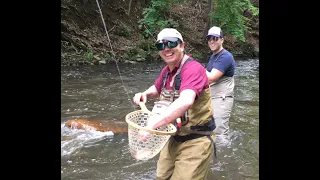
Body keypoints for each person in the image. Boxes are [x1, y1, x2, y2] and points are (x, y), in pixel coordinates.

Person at [133, 28, 216, 180]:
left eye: (171, 43)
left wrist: (151, 127)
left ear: (182, 45)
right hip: (172, 137)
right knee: (162, 177)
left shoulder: (193, 69)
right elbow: (157, 88)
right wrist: (145, 94)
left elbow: (186, 100)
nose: (166, 49)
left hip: (196, 140)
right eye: (161, 45)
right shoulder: (167, 71)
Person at [205, 26, 236, 139]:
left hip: (222, 99)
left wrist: (196, 70)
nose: (212, 41)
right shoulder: (213, 57)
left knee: (220, 133)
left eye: (215, 38)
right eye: (209, 38)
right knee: (209, 130)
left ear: (222, 40)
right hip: (212, 97)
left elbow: (211, 78)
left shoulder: (225, 56)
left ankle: (226, 155)